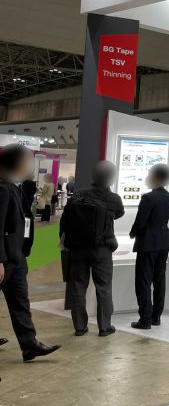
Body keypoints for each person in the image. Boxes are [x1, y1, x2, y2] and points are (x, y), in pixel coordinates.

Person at [0, 144, 61, 362]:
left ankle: (29, 345)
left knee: (20, 301)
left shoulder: (15, 186)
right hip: (5, 258)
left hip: (17, 257)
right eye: (27, 161)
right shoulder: (2, 188)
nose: (31, 166)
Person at [60, 161, 125, 337]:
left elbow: (66, 219)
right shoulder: (114, 198)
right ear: (111, 177)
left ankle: (80, 327)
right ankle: (105, 327)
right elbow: (119, 213)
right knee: (103, 287)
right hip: (102, 249)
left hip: (78, 248)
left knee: (78, 286)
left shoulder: (79, 194)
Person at [129, 163, 169, 330]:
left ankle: (145, 319)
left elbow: (140, 222)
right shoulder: (168, 197)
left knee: (143, 282)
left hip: (147, 243)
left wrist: (132, 233)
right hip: (163, 242)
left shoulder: (148, 198)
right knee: (159, 280)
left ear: (155, 176)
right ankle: (156, 316)